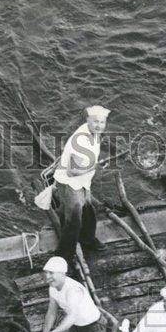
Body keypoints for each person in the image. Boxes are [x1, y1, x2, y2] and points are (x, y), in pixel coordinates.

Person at [52, 104, 111, 270]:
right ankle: (63, 257)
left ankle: (88, 239)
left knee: (88, 209)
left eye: (102, 122)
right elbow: (71, 172)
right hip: (71, 183)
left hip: (84, 181)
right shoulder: (81, 141)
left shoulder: (95, 133)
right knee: (74, 221)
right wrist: (95, 167)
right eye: (95, 122)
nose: (99, 126)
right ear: (87, 121)